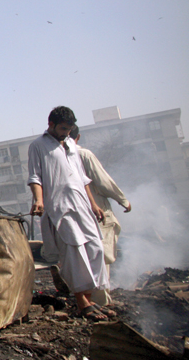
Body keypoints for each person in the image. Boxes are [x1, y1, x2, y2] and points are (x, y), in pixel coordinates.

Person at [28, 106, 111, 321]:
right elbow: (35, 177)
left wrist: (93, 204)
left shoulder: (72, 145)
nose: (66, 132)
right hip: (60, 208)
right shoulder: (38, 146)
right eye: (63, 128)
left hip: (82, 206)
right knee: (75, 253)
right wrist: (39, 200)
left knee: (95, 249)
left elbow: (83, 179)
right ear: (51, 125)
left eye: (69, 129)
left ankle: (90, 299)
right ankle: (82, 303)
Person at [70, 126, 132, 307]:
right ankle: (100, 302)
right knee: (102, 256)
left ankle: (88, 300)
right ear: (78, 137)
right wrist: (123, 199)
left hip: (75, 217)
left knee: (85, 258)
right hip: (97, 214)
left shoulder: (57, 157)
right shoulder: (84, 155)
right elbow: (103, 181)